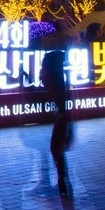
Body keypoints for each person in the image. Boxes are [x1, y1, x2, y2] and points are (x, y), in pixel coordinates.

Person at [39, 49, 71, 197]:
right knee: (57, 149)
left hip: (62, 116)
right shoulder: (59, 76)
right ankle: (62, 178)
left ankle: (62, 178)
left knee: (55, 148)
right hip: (64, 115)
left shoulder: (54, 77)